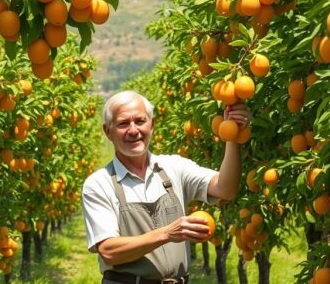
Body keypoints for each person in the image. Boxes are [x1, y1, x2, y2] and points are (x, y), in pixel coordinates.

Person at [81, 90, 250, 284]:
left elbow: (225, 189)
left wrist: (232, 135)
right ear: (107, 131)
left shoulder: (174, 167)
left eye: (140, 121)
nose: (134, 130)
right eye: (123, 123)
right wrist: (168, 233)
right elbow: (109, 251)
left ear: (152, 125)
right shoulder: (99, 184)